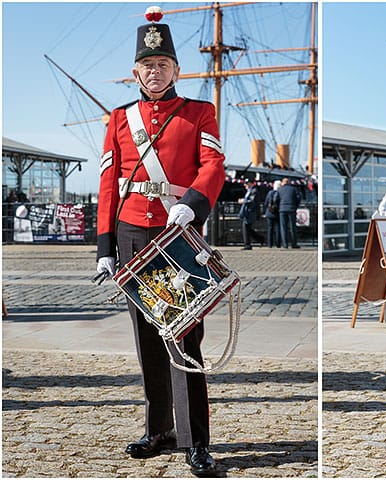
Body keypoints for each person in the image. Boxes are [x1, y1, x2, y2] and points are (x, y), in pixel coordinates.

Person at [94, 7, 225, 476]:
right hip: (131, 231)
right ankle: (159, 430)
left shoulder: (198, 112)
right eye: (148, 66)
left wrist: (192, 203)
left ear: (176, 70)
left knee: (184, 336)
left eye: (163, 64)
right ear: (136, 72)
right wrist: (106, 248)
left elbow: (214, 167)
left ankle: (196, 440)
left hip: (178, 231)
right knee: (147, 336)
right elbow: (109, 184)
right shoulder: (119, 118)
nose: (155, 72)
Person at [238, 179, 265, 250]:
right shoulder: (249, 191)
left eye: (246, 184)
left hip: (250, 212)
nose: (245, 185)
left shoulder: (254, 191)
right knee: (248, 229)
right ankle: (260, 239)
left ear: (251, 184)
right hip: (247, 212)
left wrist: (243, 201)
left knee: (246, 228)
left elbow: (252, 201)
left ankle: (248, 244)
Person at [278, 177, 301, 248]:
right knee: (292, 227)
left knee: (283, 227)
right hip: (292, 209)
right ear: (289, 182)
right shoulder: (294, 189)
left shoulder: (280, 190)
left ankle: (285, 244)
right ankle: (294, 244)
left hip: (282, 209)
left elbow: (276, 198)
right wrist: (296, 206)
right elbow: (298, 197)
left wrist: (279, 206)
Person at [263, 180, 281, 248]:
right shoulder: (280, 193)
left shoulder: (269, 193)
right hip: (277, 212)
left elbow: (266, 202)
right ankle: (278, 244)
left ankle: (270, 244)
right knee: (278, 228)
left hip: (269, 212)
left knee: (270, 228)